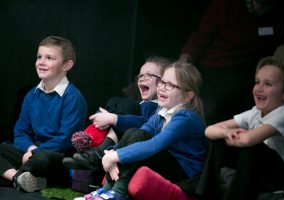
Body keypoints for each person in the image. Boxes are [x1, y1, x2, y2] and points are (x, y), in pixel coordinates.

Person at [76, 61, 207, 200]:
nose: (162, 88)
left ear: (187, 96)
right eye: (162, 82)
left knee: (140, 142)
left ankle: (117, 193)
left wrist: (115, 156)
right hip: (165, 161)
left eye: (170, 85)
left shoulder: (186, 116)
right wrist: (112, 152)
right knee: (135, 132)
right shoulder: (162, 111)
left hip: (184, 173)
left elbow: (155, 144)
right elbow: (141, 134)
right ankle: (106, 191)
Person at [195, 56, 284, 200]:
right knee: (218, 139)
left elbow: (248, 140)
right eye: (257, 82)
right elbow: (209, 130)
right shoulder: (255, 112)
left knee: (252, 149)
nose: (259, 88)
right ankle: (206, 193)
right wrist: (226, 132)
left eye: (268, 84)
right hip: (263, 171)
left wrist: (234, 137)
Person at [0, 36, 88, 192]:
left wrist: (35, 153)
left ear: (66, 65)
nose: (41, 62)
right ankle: (19, 179)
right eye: (39, 57)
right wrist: (30, 148)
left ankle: (15, 177)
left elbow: (65, 140)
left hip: (56, 157)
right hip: (32, 152)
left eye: (49, 58)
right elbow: (20, 132)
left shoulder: (73, 98)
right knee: (3, 147)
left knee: (42, 159)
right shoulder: (31, 95)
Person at [179, 0, 284, 125]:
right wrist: (187, 56)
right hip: (219, 68)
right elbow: (202, 35)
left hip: (253, 70)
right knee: (212, 106)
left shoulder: (281, 10)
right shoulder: (225, 4)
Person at [63, 56, 171, 170]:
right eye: (140, 75)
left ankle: (97, 155)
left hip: (130, 149)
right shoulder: (138, 103)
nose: (141, 79)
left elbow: (148, 126)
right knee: (115, 101)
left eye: (148, 75)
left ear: (163, 81)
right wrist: (103, 116)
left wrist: (114, 118)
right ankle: (87, 163)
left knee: (126, 104)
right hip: (108, 144)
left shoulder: (160, 108)